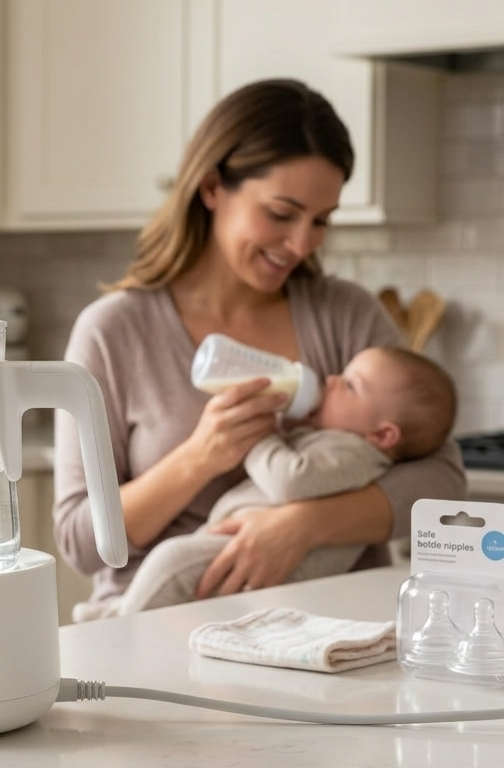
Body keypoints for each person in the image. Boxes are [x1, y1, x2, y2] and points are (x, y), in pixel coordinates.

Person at [54, 78, 467, 610]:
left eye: (321, 221)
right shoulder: (112, 333)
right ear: (210, 188)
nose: (301, 243)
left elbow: (443, 481)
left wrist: (302, 526)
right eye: (280, 213)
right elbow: (80, 541)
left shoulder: (343, 316)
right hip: (157, 631)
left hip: (330, 634)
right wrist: (199, 459)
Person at [72, 345, 457, 621]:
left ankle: (123, 621)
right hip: (230, 545)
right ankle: (118, 612)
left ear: (384, 435)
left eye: (351, 386)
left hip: (276, 572)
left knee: (171, 563)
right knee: (172, 575)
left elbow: (290, 480)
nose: (333, 378)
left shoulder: (355, 452)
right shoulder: (111, 332)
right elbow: (77, 538)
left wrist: (259, 437)